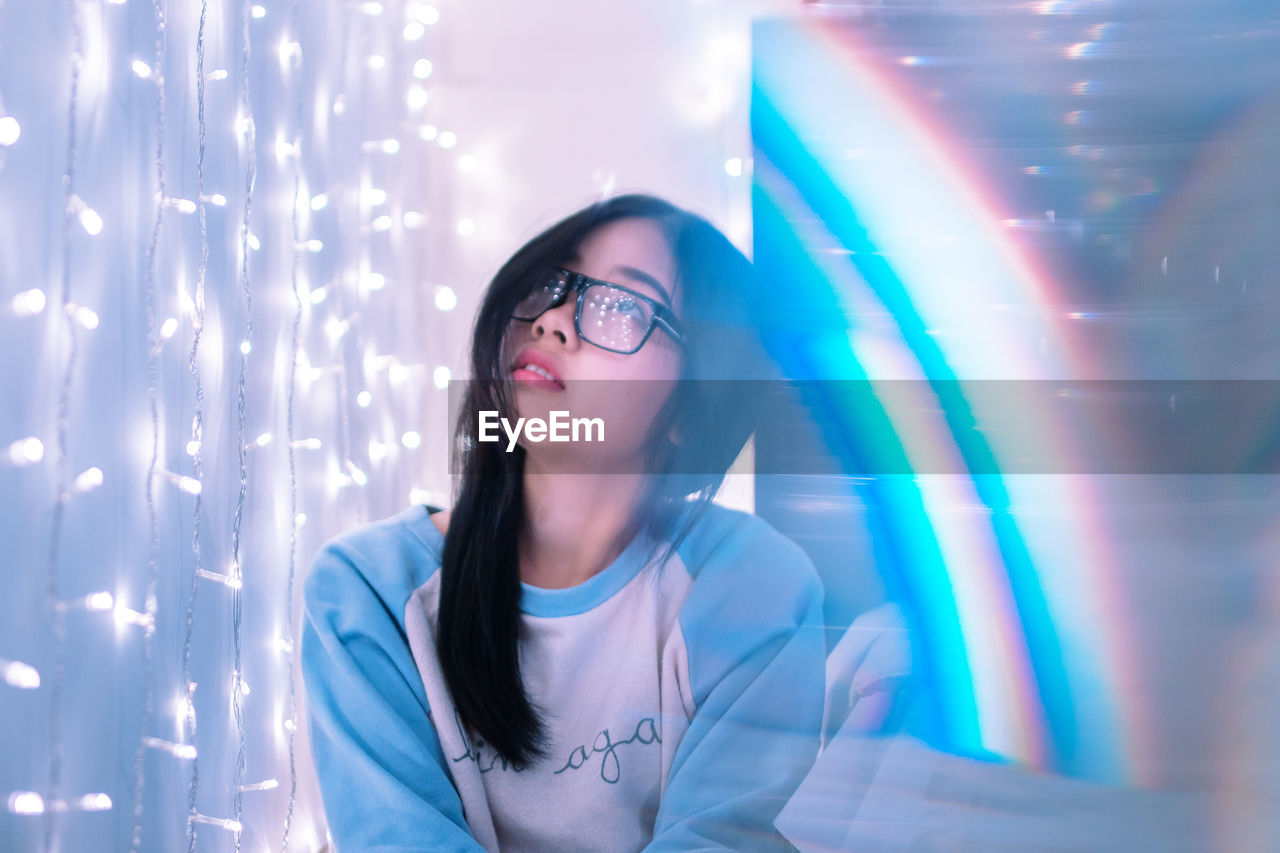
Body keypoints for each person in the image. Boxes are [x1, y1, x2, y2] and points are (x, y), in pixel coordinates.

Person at [301, 193, 826, 851]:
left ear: (692, 409)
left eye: (621, 304)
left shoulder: (754, 589)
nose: (554, 320)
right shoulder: (368, 591)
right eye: (556, 283)